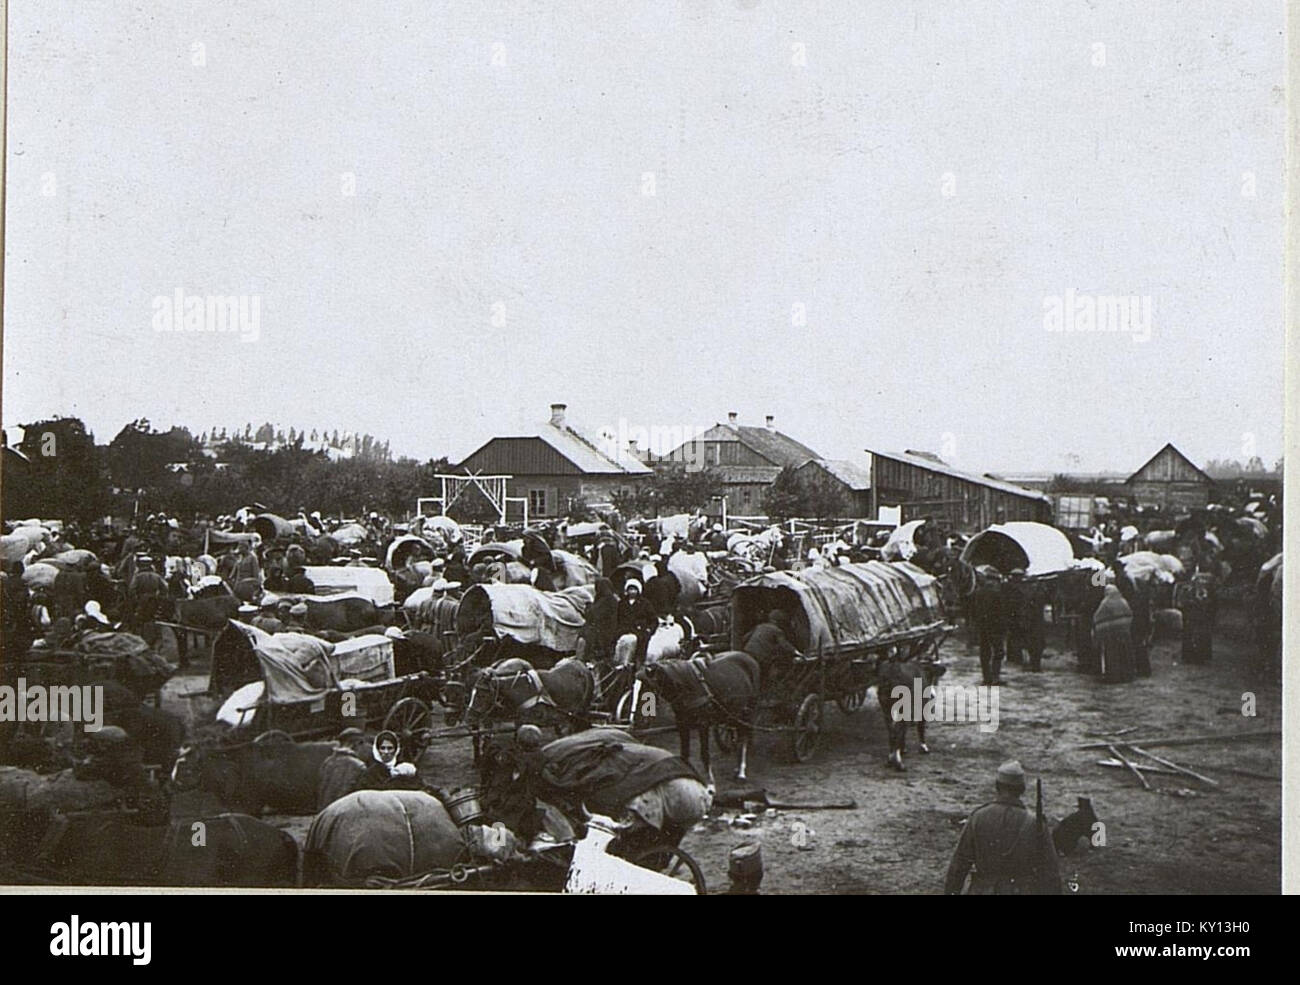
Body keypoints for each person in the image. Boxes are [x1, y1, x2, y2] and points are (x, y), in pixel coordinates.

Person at [943, 761, 1062, 895]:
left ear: (997, 787)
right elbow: (1051, 873)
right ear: (1022, 789)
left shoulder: (978, 817)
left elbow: (959, 865)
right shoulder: (1035, 823)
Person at [742, 609, 803, 685]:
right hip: (760, 657)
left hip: (747, 652)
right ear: (779, 621)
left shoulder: (760, 626)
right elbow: (784, 644)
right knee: (768, 672)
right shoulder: (777, 631)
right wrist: (796, 652)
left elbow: (745, 638)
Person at [969, 567, 1008, 686]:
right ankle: (995, 677)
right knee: (998, 651)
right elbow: (1002, 611)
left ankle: (986, 678)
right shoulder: (998, 593)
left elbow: (973, 611)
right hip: (995, 626)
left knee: (984, 652)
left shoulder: (978, 592)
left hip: (982, 626)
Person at [579, 578, 619, 664]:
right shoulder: (610, 599)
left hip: (602, 632)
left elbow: (593, 615)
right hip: (607, 630)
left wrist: (588, 607)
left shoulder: (605, 600)